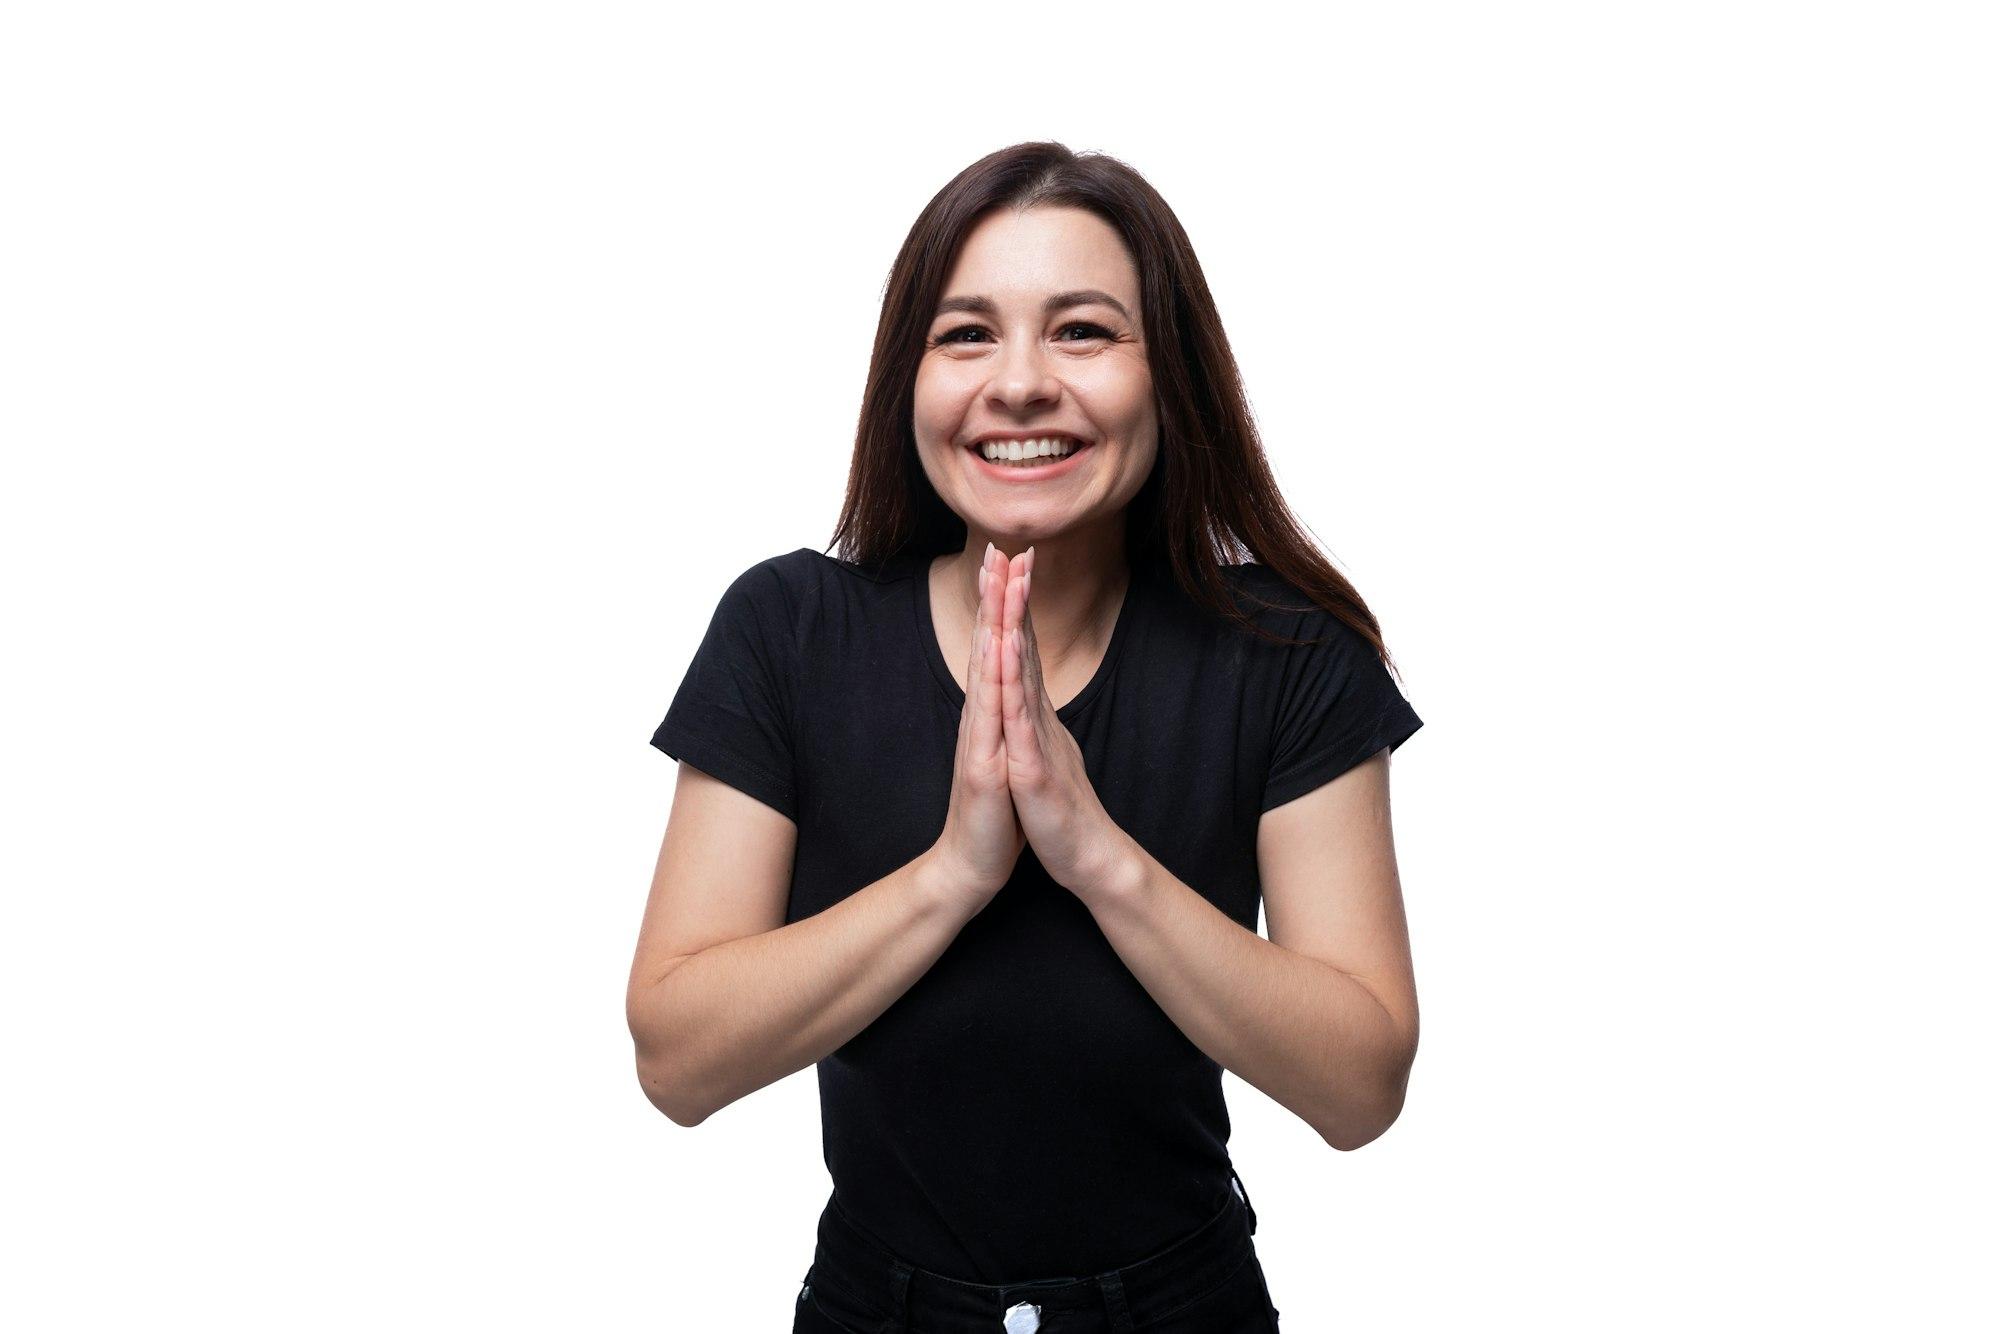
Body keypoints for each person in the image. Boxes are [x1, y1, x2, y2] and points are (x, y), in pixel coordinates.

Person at [626, 141, 1424, 1333]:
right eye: (965, 334)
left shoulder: (1287, 654)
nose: (1018, 384)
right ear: (909, 378)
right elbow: (676, 1058)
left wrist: (1096, 853)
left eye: (1082, 331)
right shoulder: (788, 629)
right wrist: (954, 870)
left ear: (1171, 377)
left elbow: (1359, 1083)